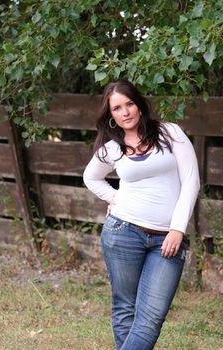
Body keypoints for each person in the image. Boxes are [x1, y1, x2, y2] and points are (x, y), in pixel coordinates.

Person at [83, 79, 200, 350]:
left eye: (129, 104)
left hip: (167, 240)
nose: (125, 112)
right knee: (125, 308)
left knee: (150, 318)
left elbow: (191, 181)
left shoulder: (170, 133)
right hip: (122, 232)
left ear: (139, 103)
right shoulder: (112, 147)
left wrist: (177, 229)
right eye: (117, 108)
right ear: (110, 115)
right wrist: (116, 198)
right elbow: (91, 178)